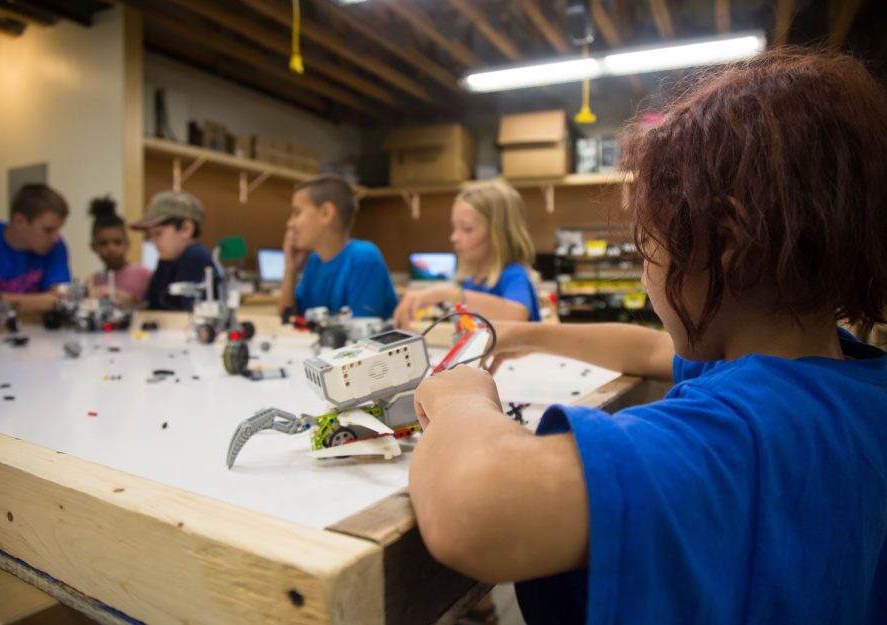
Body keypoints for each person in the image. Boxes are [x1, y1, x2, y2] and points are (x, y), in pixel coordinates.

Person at [408, 50, 887, 625]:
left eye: (647, 248)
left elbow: (473, 508)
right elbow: (647, 348)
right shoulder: (836, 375)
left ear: (726, 244)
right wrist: (527, 332)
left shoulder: (739, 434)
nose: (642, 272)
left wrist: (462, 398)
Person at [392, 180, 539, 328]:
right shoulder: (472, 281)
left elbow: (517, 315)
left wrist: (446, 294)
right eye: (454, 227)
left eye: (467, 228)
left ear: (499, 235)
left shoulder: (514, 274)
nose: (453, 237)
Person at [280, 174, 397, 319]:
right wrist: (291, 270)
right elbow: (287, 320)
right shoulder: (314, 261)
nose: (290, 223)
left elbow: (360, 333)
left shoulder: (364, 257)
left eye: (297, 212)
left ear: (326, 213)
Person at [0, 183, 71, 312]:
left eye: (58, 230)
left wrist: (1, 299)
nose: (55, 238)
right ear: (19, 221)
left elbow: (63, 299)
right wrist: (45, 300)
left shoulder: (56, 246)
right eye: (48, 230)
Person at [131, 191, 214, 311]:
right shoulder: (166, 260)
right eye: (150, 235)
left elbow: (184, 311)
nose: (153, 241)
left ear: (186, 229)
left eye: (158, 233)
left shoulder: (195, 256)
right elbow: (152, 303)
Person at [88, 196, 151, 305]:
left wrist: (132, 302)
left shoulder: (145, 276)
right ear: (94, 247)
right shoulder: (94, 281)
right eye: (103, 243)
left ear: (127, 243)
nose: (111, 249)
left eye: (117, 242)